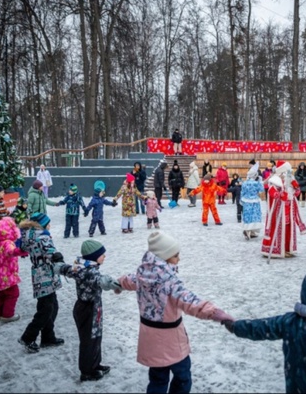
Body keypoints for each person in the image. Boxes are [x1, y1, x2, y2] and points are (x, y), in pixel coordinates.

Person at [117, 231, 234, 394]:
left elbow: (128, 280)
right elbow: (191, 301)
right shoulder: (170, 282)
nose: (178, 259)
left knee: (157, 378)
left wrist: (118, 283)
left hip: (150, 339)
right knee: (183, 376)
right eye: (175, 255)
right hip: (172, 341)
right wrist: (215, 313)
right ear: (164, 257)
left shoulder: (141, 276)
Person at [54, 240, 122, 382]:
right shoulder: (88, 271)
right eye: (102, 254)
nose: (104, 256)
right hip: (87, 309)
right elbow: (100, 280)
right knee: (88, 340)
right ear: (93, 256)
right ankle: (86, 372)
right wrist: (114, 284)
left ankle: (95, 365)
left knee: (96, 337)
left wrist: (58, 263)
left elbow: (64, 269)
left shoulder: (79, 267)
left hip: (91, 308)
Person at [18, 212, 65, 354]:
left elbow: (25, 248)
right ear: (43, 224)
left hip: (38, 274)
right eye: (48, 222)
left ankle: (48, 336)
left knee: (51, 305)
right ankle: (28, 337)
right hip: (45, 274)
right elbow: (49, 251)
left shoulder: (28, 234)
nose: (50, 225)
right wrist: (58, 258)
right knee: (46, 309)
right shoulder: (42, 236)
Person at [261, 161, 306, 259]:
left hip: (289, 210)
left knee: (288, 230)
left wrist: (295, 189)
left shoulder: (290, 180)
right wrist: (281, 195)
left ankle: (287, 249)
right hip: (278, 212)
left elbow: (296, 193)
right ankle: (276, 249)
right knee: (279, 229)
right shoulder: (274, 181)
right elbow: (271, 192)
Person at [0, 217, 28, 323]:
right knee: (13, 293)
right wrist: (22, 251)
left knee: (2, 294)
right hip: (7, 274)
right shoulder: (7, 242)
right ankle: (7, 315)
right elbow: (11, 252)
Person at [241, 162, 264, 240]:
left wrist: (242, 200)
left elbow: (242, 192)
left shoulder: (244, 183)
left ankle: (248, 230)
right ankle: (252, 231)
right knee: (255, 216)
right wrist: (260, 182)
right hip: (255, 201)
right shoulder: (256, 183)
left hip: (246, 201)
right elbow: (261, 190)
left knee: (247, 216)